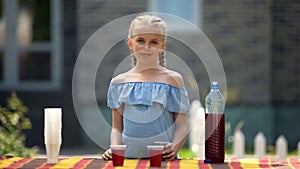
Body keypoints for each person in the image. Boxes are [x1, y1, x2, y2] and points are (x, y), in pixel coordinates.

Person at [101, 14, 190, 160]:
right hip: (128, 161)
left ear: (162, 46)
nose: (146, 47)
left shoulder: (173, 80)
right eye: (140, 41)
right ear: (130, 43)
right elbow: (117, 128)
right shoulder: (118, 83)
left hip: (163, 161)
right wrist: (114, 149)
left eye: (154, 42)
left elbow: (182, 126)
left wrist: (174, 147)